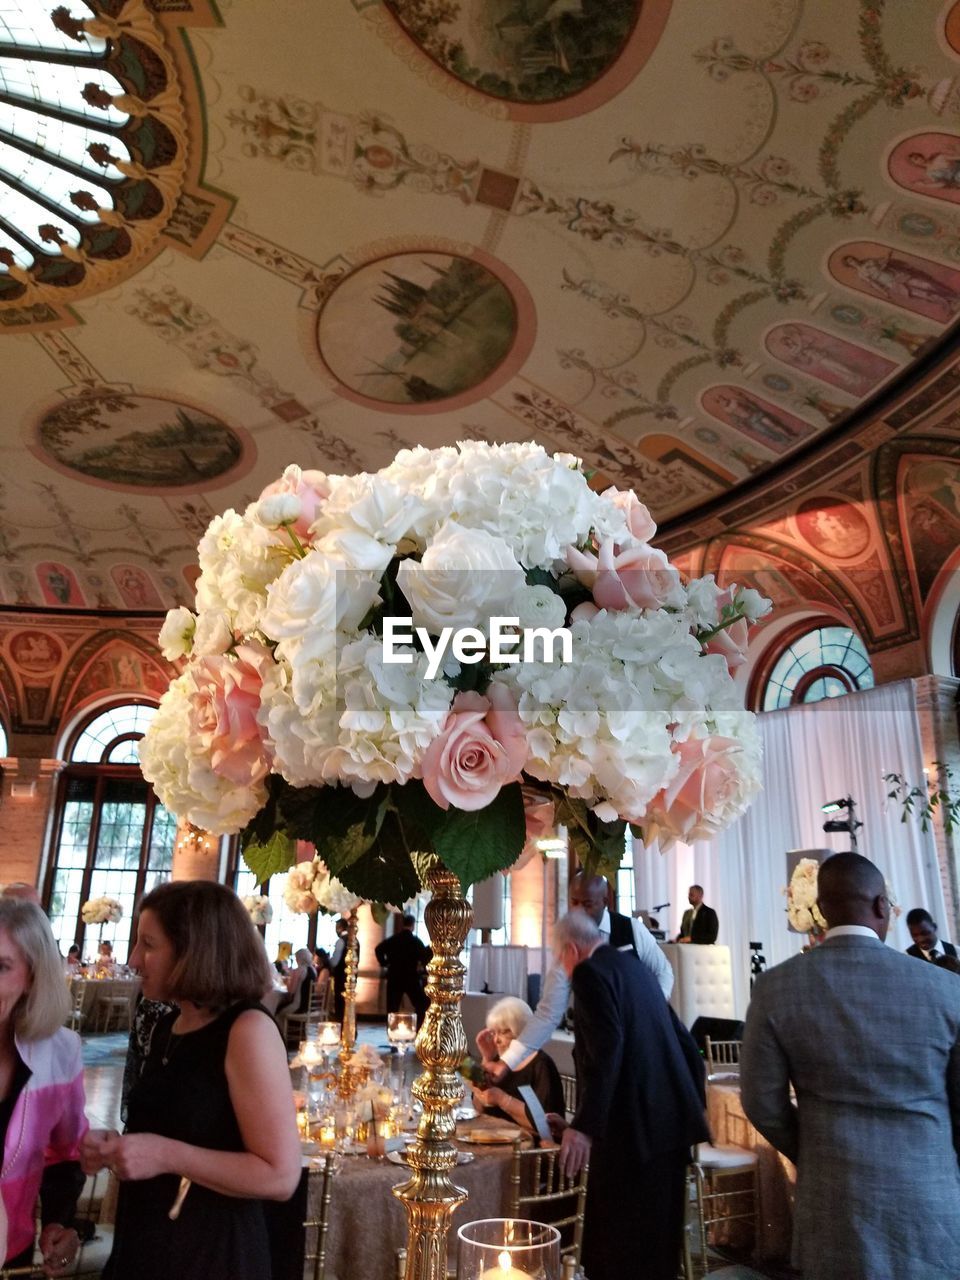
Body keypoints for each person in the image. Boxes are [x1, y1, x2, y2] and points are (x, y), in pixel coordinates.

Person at [741, 852, 960, 1280]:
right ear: (882, 906)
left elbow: (761, 1102)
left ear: (820, 911)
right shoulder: (946, 989)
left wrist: (816, 1151)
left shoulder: (774, 988)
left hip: (833, 1204)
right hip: (930, 1201)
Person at [80, 881, 301, 1280]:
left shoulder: (247, 1029)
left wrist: (164, 1154)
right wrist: (117, 1147)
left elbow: (281, 1176)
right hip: (149, 1242)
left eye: (148, 945)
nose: (134, 959)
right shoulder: (169, 1023)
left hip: (211, 1252)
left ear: (195, 950)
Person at [548, 911, 708, 1280]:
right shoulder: (636, 969)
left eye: (561, 959)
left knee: (619, 1252)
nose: (563, 968)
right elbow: (684, 1043)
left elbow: (608, 1050)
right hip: (668, 1131)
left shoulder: (590, 973)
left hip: (631, 1140)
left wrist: (584, 1127)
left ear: (572, 949)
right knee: (658, 1254)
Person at [488, 871, 673, 1081]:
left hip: (641, 1049)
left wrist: (651, 1011)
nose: (578, 911)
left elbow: (664, 971)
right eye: (574, 902)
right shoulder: (567, 941)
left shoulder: (632, 929)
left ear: (605, 901)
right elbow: (549, 1013)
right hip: (593, 1053)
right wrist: (508, 1061)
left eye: (587, 904)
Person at [0, 897, 88, 1276]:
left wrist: (58, 1222)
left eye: (1, 967)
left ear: (32, 975)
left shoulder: (59, 1053)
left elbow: (66, 1153)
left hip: (9, 1254)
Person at [472, 997, 564, 1131]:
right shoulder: (497, 1061)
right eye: (493, 1033)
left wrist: (503, 1100)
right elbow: (479, 1108)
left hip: (529, 1146)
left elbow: (546, 1124)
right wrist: (486, 1059)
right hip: (495, 1138)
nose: (496, 1040)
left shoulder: (541, 1065)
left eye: (504, 1032)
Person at [375, 913, 430, 1025]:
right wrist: (423, 969)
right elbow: (424, 956)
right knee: (421, 1004)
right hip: (411, 977)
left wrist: (384, 963)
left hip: (394, 976)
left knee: (392, 1007)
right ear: (413, 925)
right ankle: (418, 1027)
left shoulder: (394, 939)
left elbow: (378, 949)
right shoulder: (415, 941)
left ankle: (391, 1030)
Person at [276, 947, 316, 1017]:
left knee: (276, 1011)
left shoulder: (299, 970)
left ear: (299, 958)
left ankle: (283, 1028)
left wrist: (287, 981)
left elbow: (291, 991)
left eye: (296, 958)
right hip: (310, 1007)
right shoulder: (314, 970)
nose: (296, 960)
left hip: (298, 1006)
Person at [331, 918, 354, 1022]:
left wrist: (328, 962)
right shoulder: (355, 940)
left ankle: (341, 1028)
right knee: (349, 1004)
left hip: (341, 978)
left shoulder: (341, 941)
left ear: (339, 928)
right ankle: (351, 1028)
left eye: (336, 928)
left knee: (340, 1005)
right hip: (352, 979)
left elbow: (334, 962)